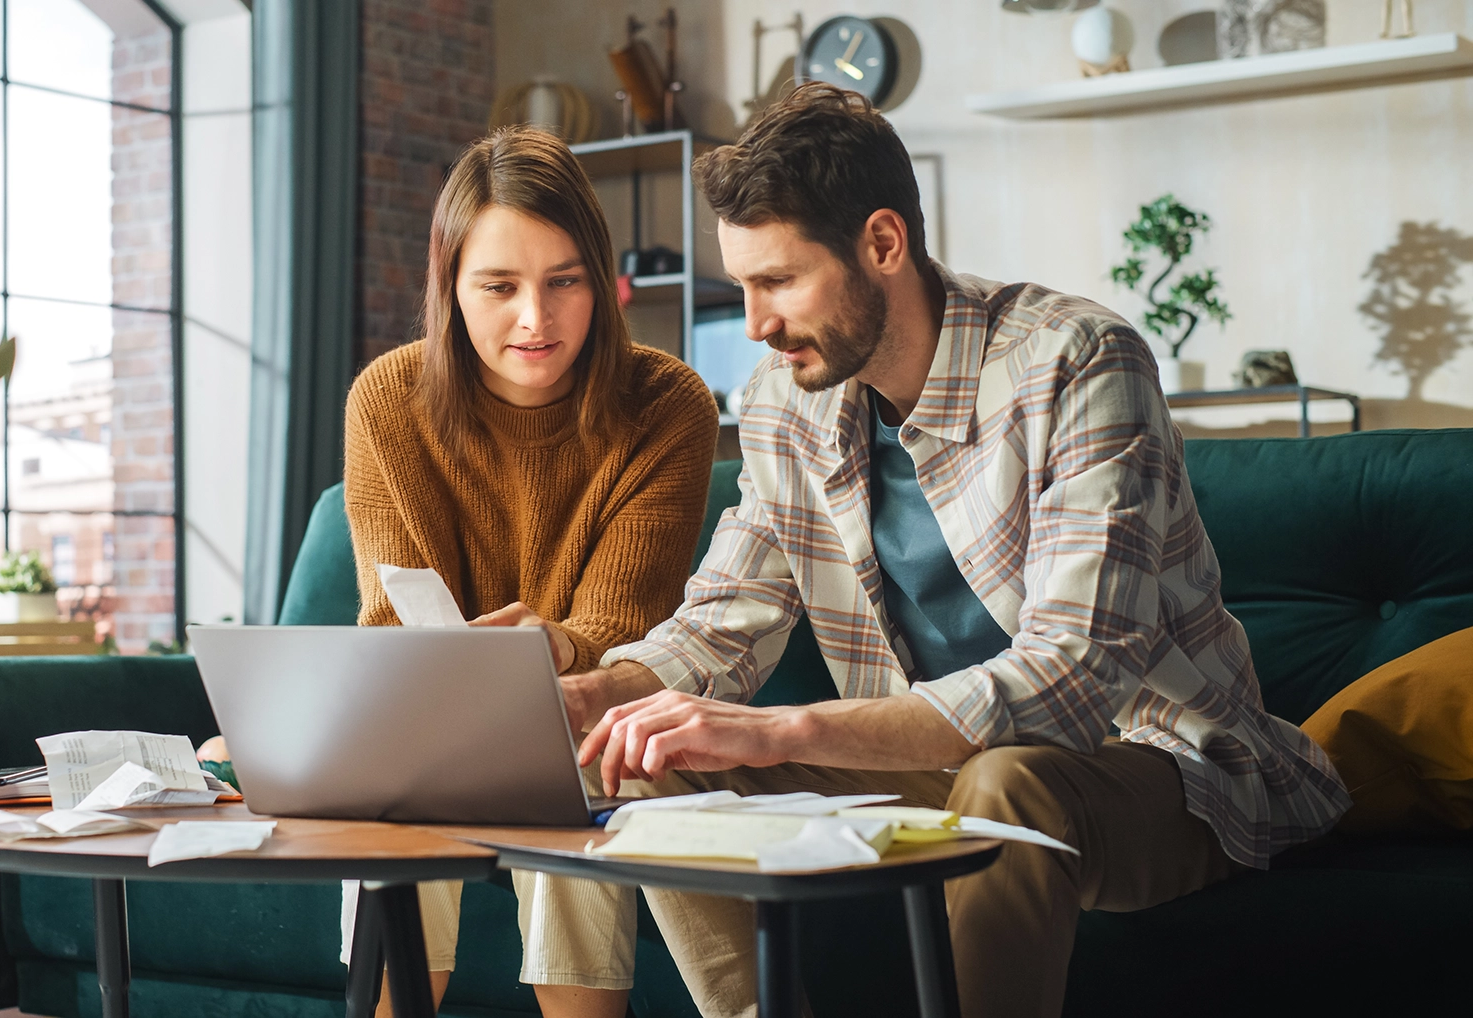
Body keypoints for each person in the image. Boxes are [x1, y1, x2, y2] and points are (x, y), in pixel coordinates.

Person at [561, 84, 1351, 1018]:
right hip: (927, 769)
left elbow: (1072, 678)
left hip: (1152, 762)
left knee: (1006, 781)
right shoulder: (783, 403)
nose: (756, 325)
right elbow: (721, 624)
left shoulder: (1078, 361)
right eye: (743, 286)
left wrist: (785, 728)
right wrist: (587, 696)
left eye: (778, 282)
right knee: (641, 750)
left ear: (882, 243)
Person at [342, 125, 721, 1018]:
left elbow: (626, 630)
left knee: (571, 755)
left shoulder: (668, 403)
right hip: (429, 716)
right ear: (450, 285)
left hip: (587, 714)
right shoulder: (387, 400)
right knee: (398, 770)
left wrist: (553, 647)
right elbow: (393, 627)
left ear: (603, 281)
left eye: (564, 282)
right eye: (499, 286)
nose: (535, 320)